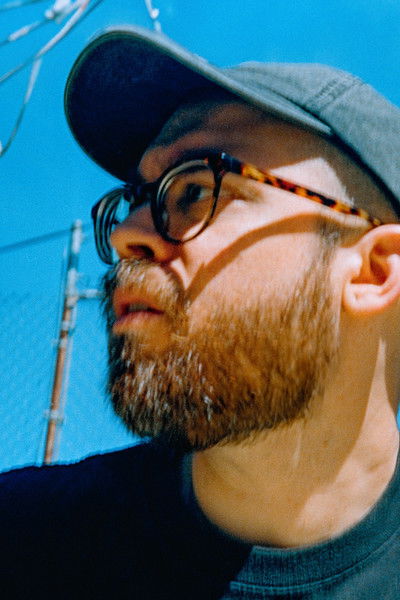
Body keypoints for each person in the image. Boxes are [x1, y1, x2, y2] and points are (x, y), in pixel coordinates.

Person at [2, 24, 400, 599]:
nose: (127, 235)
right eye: (133, 201)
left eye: (193, 191)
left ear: (375, 272)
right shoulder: (25, 546)